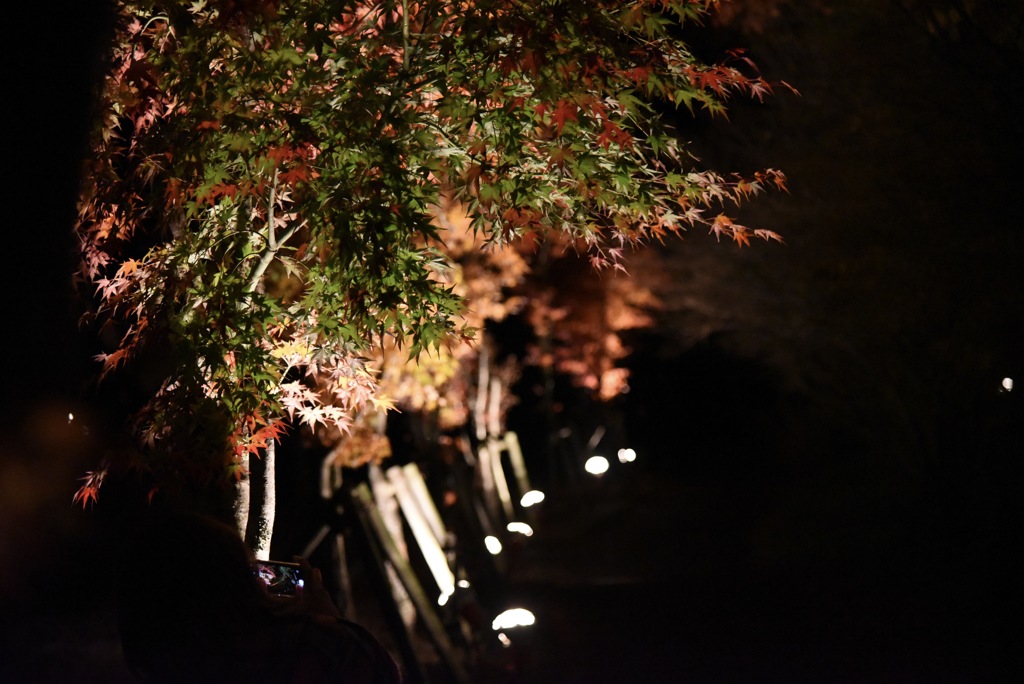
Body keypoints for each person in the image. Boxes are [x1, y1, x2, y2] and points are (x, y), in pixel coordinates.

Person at [116, 511, 401, 683]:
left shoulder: (168, 666)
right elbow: (380, 673)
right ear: (236, 578)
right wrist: (327, 620)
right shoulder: (316, 647)